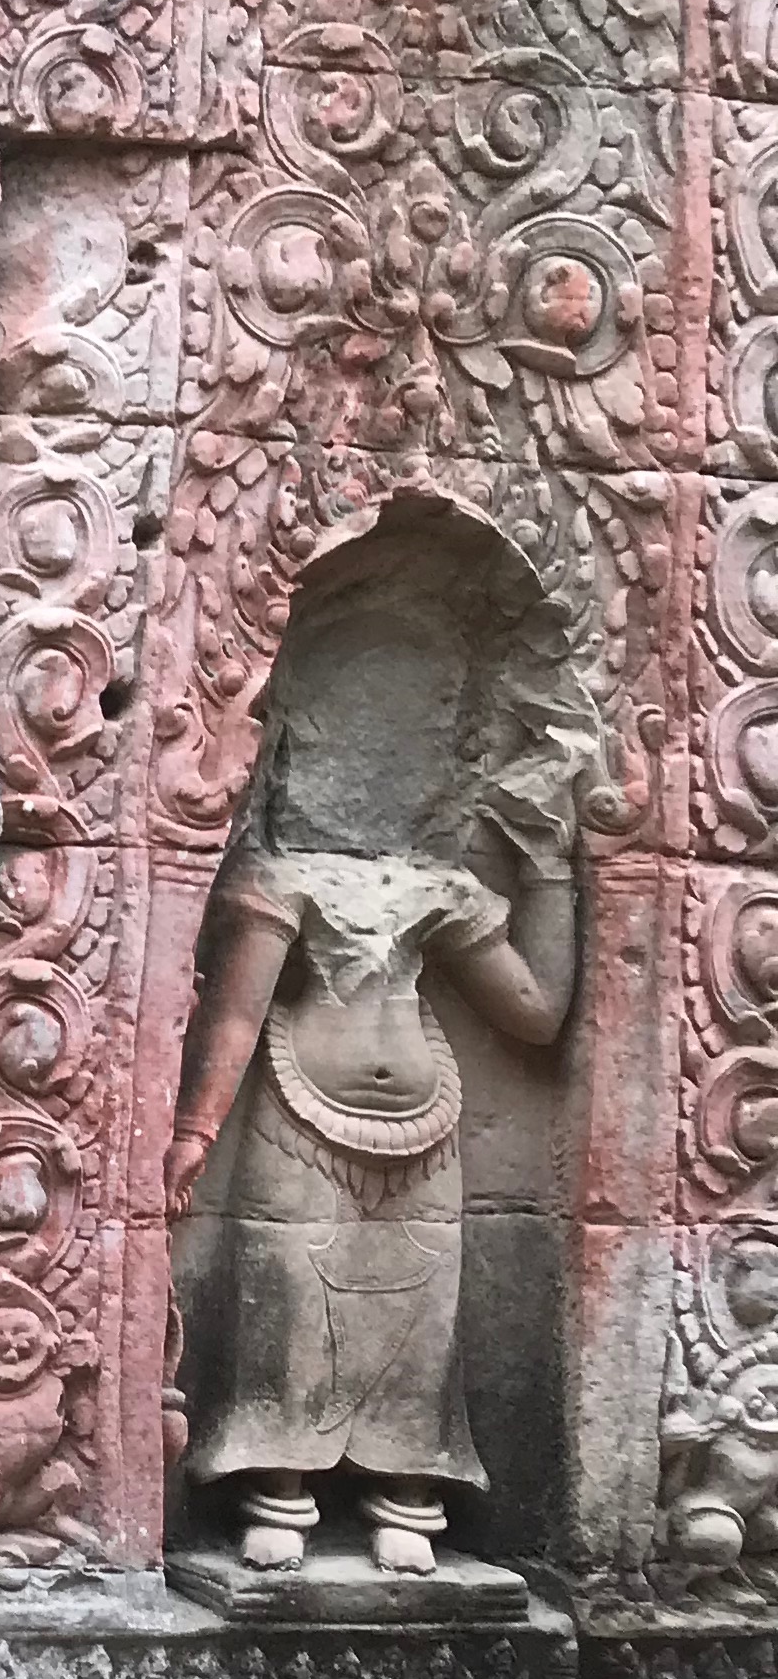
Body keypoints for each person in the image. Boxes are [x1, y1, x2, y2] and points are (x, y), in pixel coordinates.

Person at [167, 568, 578, 1580]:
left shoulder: (441, 887)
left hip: (427, 1131)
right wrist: (193, 1134)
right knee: (289, 1302)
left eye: (407, 736)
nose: (380, 756)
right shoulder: (281, 879)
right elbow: (235, 1017)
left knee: (422, 1311)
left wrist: (550, 864)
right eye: (359, 727)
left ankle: (410, 1492)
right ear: (301, 746)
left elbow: (537, 1014)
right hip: (297, 1119)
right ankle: (279, 1486)